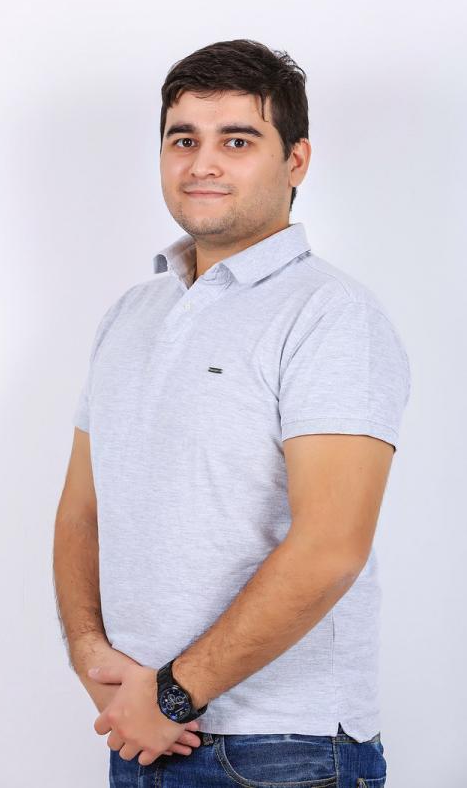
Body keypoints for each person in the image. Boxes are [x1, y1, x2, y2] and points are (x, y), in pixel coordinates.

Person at [53, 39, 410, 787]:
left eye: (237, 141)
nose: (202, 164)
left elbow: (331, 547)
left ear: (296, 161)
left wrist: (174, 692)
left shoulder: (331, 315)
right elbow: (84, 509)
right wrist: (92, 657)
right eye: (183, 140)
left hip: (284, 749)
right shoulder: (131, 313)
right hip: (138, 732)